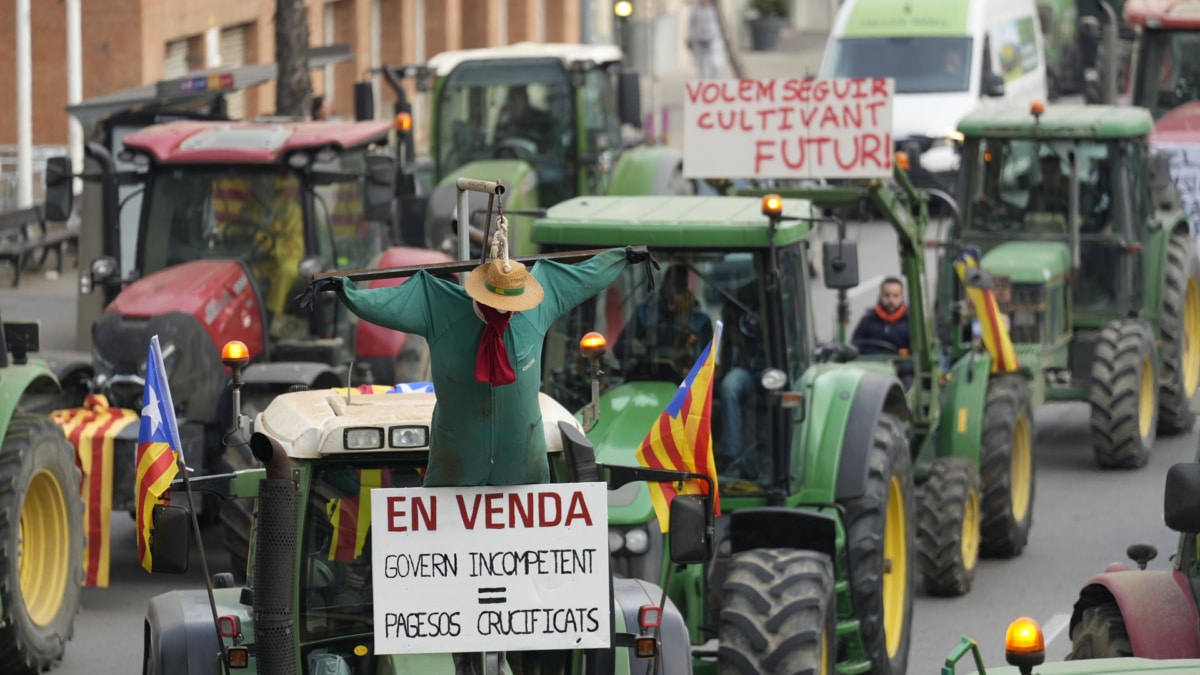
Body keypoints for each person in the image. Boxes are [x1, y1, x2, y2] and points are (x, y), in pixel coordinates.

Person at [301, 227, 655, 488]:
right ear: (481, 293)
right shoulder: (437, 306)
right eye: (501, 304)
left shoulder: (543, 298)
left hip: (524, 466)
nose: (508, 311)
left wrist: (621, 257)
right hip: (455, 467)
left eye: (514, 305)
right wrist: (342, 288)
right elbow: (380, 304)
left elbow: (586, 275)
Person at [228, 172, 306, 338]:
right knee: (242, 274)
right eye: (256, 180)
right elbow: (238, 230)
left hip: (286, 259)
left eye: (263, 179)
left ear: (274, 183)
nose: (257, 184)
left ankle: (272, 317)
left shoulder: (291, 210)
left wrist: (271, 246)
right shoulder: (250, 207)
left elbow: (295, 246)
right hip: (259, 260)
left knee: (286, 271)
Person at [614, 264, 714, 377]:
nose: (678, 291)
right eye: (675, 285)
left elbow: (708, 360)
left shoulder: (700, 321)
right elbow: (618, 348)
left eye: (683, 286)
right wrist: (632, 347)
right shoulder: (644, 313)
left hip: (686, 381)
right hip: (646, 377)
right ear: (665, 285)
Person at [716, 293, 765, 469]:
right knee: (729, 386)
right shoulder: (739, 308)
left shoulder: (781, 302)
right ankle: (731, 454)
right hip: (747, 369)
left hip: (773, 371)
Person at [851, 276, 911, 358]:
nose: (891, 300)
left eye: (895, 296)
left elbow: (917, 358)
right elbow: (855, 347)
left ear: (902, 297)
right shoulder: (868, 320)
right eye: (887, 295)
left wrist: (901, 366)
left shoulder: (910, 323)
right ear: (880, 296)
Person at [495, 85, 557, 153]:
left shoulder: (542, 119)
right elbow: (497, 143)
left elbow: (549, 146)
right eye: (509, 99)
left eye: (514, 99)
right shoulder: (507, 121)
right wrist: (500, 118)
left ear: (525, 99)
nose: (511, 104)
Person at [688, 0, 726, 81]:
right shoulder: (696, 8)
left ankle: (715, 82)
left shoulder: (715, 8)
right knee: (702, 67)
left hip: (713, 39)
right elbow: (691, 24)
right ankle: (704, 85)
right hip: (699, 40)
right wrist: (691, 37)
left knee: (716, 64)